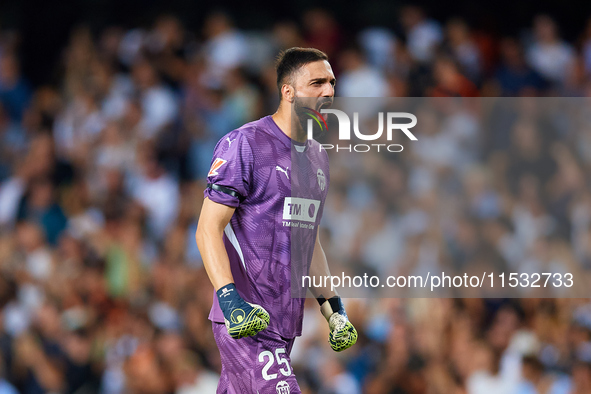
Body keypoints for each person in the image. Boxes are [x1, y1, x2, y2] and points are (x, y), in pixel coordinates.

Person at [196, 47, 357, 394]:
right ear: (288, 92)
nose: (328, 92)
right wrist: (229, 299)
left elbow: (307, 241)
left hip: (286, 321)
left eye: (331, 83)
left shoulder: (318, 158)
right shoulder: (245, 144)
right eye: (316, 83)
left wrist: (333, 309)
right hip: (245, 318)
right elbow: (208, 228)